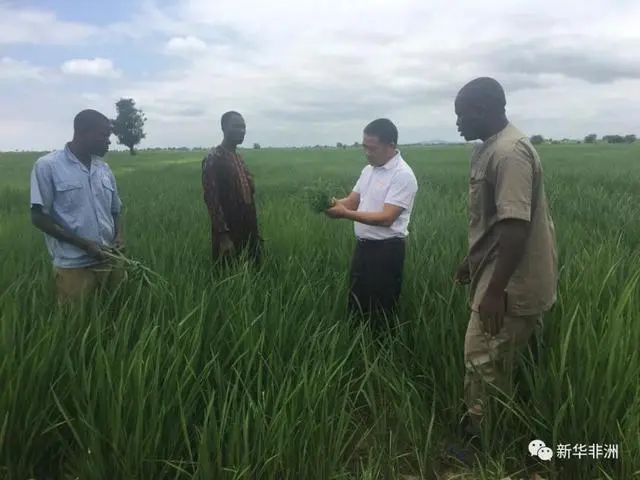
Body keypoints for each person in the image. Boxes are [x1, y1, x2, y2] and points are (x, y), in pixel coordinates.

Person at [452, 77, 558, 445]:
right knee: (495, 361)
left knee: (482, 361)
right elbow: (494, 222)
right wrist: (471, 261)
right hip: (498, 272)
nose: (458, 124)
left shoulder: (509, 152)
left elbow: (515, 226)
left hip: (510, 282)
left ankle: (483, 443)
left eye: (461, 116)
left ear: (480, 111)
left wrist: (495, 290)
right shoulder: (488, 149)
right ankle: (496, 430)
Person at [324, 118, 418, 331]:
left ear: (390, 146)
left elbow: (387, 218)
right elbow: (351, 201)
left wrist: (345, 214)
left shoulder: (402, 175)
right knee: (357, 303)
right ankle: (357, 347)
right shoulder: (369, 170)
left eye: (372, 148)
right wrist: (329, 203)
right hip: (363, 248)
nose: (367, 153)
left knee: (381, 310)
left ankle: (382, 354)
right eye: (364, 147)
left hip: (387, 251)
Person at [30, 109, 126, 302]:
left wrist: (120, 238)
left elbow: (116, 210)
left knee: (117, 315)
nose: (108, 141)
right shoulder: (48, 166)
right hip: (74, 266)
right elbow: (38, 217)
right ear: (82, 132)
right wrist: (84, 245)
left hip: (111, 260)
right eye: (103, 135)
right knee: (77, 325)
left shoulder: (104, 169)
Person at [202, 111, 261, 266]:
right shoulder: (214, 159)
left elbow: (248, 196)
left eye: (243, 127)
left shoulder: (238, 158)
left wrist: (255, 232)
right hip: (229, 230)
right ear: (224, 128)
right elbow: (211, 200)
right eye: (236, 126)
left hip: (248, 226)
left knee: (254, 272)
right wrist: (223, 236)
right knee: (229, 275)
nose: (241, 131)